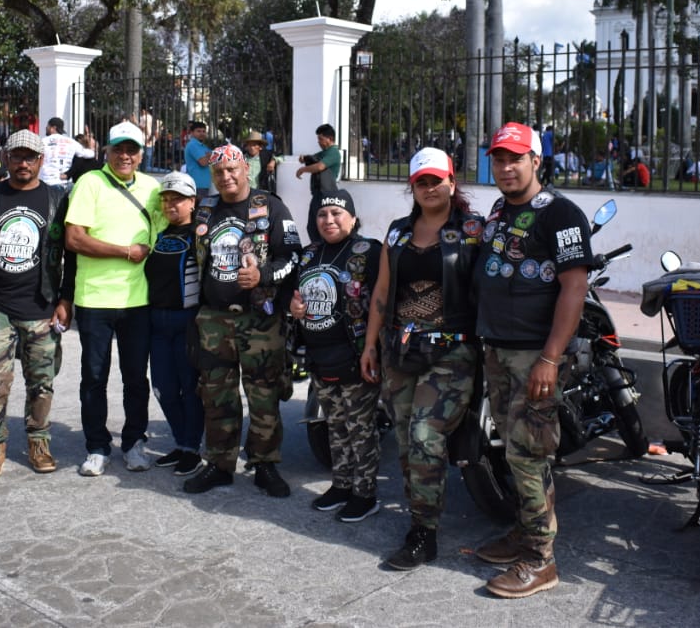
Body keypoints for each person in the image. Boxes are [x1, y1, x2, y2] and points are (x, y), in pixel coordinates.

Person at [472, 121, 595, 598]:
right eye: (499, 159)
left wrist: (550, 356)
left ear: (536, 161)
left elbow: (574, 287)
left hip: (533, 355)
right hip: (499, 350)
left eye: (515, 158)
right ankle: (526, 533)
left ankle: (541, 560)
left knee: (529, 453)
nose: (505, 167)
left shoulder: (561, 215)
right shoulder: (502, 210)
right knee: (512, 446)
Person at [361, 146, 484, 571]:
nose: (429, 188)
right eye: (421, 182)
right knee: (403, 436)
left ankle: (423, 532)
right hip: (400, 350)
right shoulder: (396, 232)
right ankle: (420, 512)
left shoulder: (473, 231)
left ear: (452, 182)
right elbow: (381, 291)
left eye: (437, 180)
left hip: (452, 352)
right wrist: (370, 344)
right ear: (411, 187)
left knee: (425, 436)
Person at [182, 144, 301, 497]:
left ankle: (265, 464)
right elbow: (193, 257)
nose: (226, 177)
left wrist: (263, 276)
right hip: (214, 321)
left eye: (232, 170)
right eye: (219, 173)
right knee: (217, 396)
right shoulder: (205, 209)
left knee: (264, 395)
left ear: (246, 169)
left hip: (260, 321)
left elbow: (293, 256)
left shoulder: (272, 206)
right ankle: (220, 464)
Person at [0, 130, 75, 479]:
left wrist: (65, 298)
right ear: (6, 158)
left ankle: (38, 440)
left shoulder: (57, 199)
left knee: (41, 381)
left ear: (41, 161)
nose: (23, 163)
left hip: (41, 304)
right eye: (17, 156)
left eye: (30, 157)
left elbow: (70, 256)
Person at [64, 121, 165, 477]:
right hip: (94, 299)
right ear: (106, 151)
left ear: (141, 153)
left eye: (132, 149)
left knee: (136, 378)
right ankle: (96, 446)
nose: (125, 155)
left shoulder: (153, 187)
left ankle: (134, 442)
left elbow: (169, 225)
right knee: (94, 377)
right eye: (118, 149)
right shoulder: (90, 183)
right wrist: (124, 251)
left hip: (138, 301)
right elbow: (74, 239)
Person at [291, 190, 383, 522]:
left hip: (355, 357)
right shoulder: (309, 253)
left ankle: (365, 493)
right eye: (322, 214)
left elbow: (380, 302)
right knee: (335, 426)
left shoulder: (368, 252)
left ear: (353, 218)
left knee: (361, 430)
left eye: (336, 213)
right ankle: (342, 485)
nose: (328, 220)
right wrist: (295, 308)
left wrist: (373, 349)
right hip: (320, 355)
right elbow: (296, 295)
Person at [143, 171, 206, 476]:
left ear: (192, 202)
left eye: (178, 199)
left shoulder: (200, 235)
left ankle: (192, 448)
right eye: (167, 199)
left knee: (189, 388)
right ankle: (181, 443)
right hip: (157, 322)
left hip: (188, 322)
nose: (171, 205)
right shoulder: (159, 233)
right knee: (163, 389)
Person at [294, 123, 341, 240]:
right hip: (318, 194)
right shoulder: (324, 153)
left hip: (328, 196)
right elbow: (313, 158)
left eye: (321, 139)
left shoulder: (333, 153)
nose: (318, 142)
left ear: (329, 139)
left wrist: (303, 169)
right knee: (312, 227)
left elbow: (319, 166)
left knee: (324, 227)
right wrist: (303, 158)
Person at [40, 117, 94, 187]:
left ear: (53, 128)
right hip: (65, 184)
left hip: (47, 182)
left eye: (47, 126)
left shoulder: (43, 141)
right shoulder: (71, 142)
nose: (46, 128)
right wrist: (89, 144)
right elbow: (89, 154)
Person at [183, 121, 212, 197]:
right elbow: (203, 162)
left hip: (203, 185)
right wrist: (209, 156)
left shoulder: (203, 146)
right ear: (192, 133)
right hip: (197, 185)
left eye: (203, 131)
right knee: (198, 208)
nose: (202, 133)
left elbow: (214, 158)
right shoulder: (193, 145)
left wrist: (209, 156)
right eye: (198, 131)